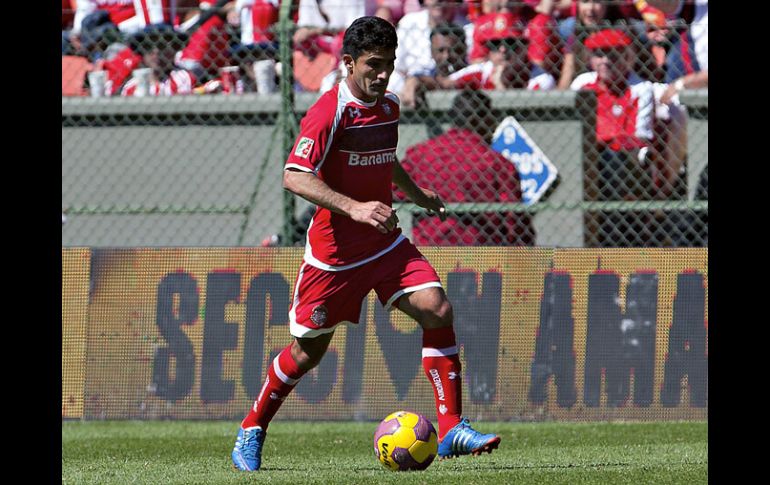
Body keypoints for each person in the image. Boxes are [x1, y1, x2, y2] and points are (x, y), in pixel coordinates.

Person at [231, 16, 501, 472]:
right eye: (374, 64)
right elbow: (294, 176)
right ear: (349, 63)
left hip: (384, 244)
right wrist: (353, 207)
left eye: (389, 64)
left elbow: (384, 158)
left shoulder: (389, 105)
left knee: (436, 308)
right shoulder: (329, 111)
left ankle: (452, 427)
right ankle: (252, 426)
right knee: (306, 353)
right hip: (334, 258)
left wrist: (415, 193)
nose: (382, 74)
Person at [397, 89, 535, 245]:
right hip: (483, 253)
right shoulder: (496, 163)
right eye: (491, 118)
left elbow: (392, 190)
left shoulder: (419, 155)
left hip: (430, 251)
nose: (494, 125)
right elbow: (514, 219)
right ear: (481, 120)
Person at [570, 28, 658, 246]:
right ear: (590, 59)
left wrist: (602, 140)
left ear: (628, 57)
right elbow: (570, 132)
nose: (606, 61)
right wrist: (609, 137)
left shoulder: (641, 88)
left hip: (624, 163)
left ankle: (615, 241)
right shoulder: (582, 84)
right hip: (585, 158)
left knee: (614, 161)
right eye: (599, 54)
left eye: (613, 54)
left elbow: (638, 140)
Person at [439, 11, 556, 91]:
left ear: (524, 46)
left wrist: (500, 87)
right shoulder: (482, 70)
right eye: (495, 44)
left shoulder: (541, 80)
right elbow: (444, 83)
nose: (502, 49)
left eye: (510, 43)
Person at [400, 22, 468, 108]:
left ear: (464, 49)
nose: (446, 56)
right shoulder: (424, 74)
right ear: (431, 52)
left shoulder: (474, 74)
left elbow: (447, 83)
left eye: (453, 50)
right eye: (440, 50)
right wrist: (414, 80)